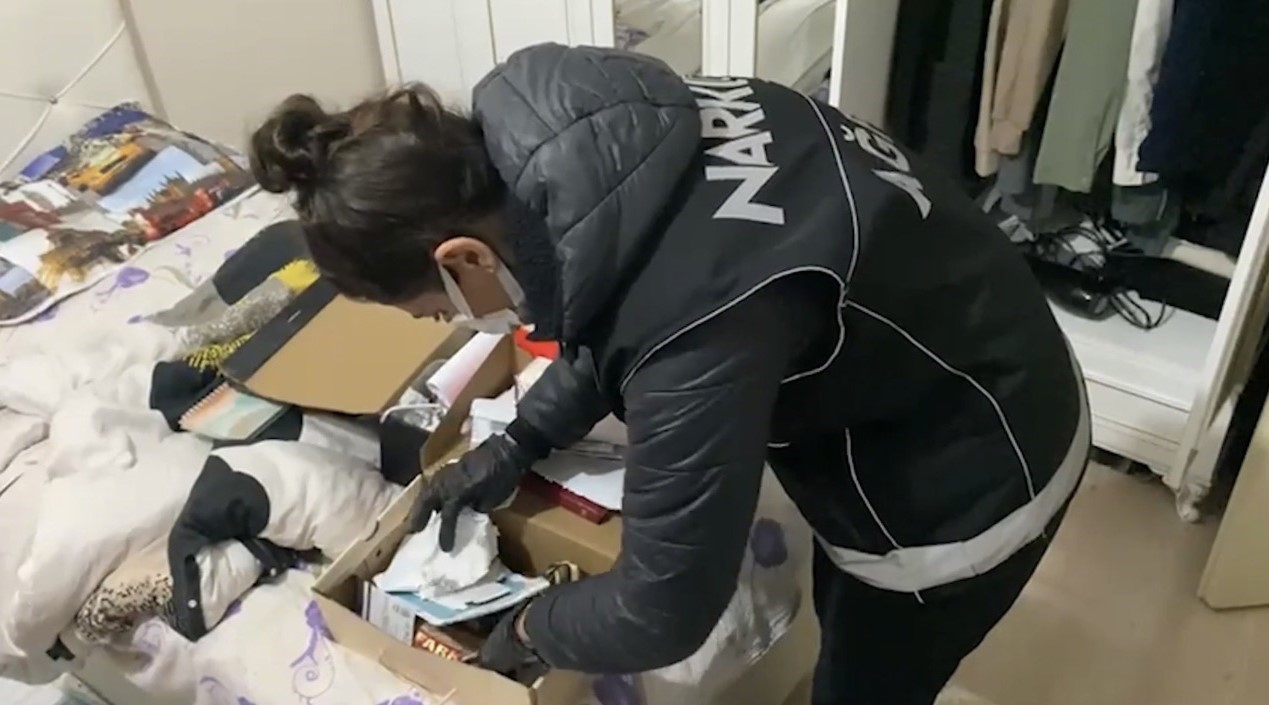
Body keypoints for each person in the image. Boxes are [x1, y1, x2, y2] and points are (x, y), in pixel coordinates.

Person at [250, 43, 1089, 705]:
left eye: (436, 311)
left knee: (865, 678)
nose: (449, 324)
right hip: (978, 327)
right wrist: (518, 442)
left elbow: (663, 610)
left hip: (974, 468)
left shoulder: (697, 326)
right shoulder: (620, 138)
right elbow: (610, 308)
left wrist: (532, 626)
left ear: (464, 258)